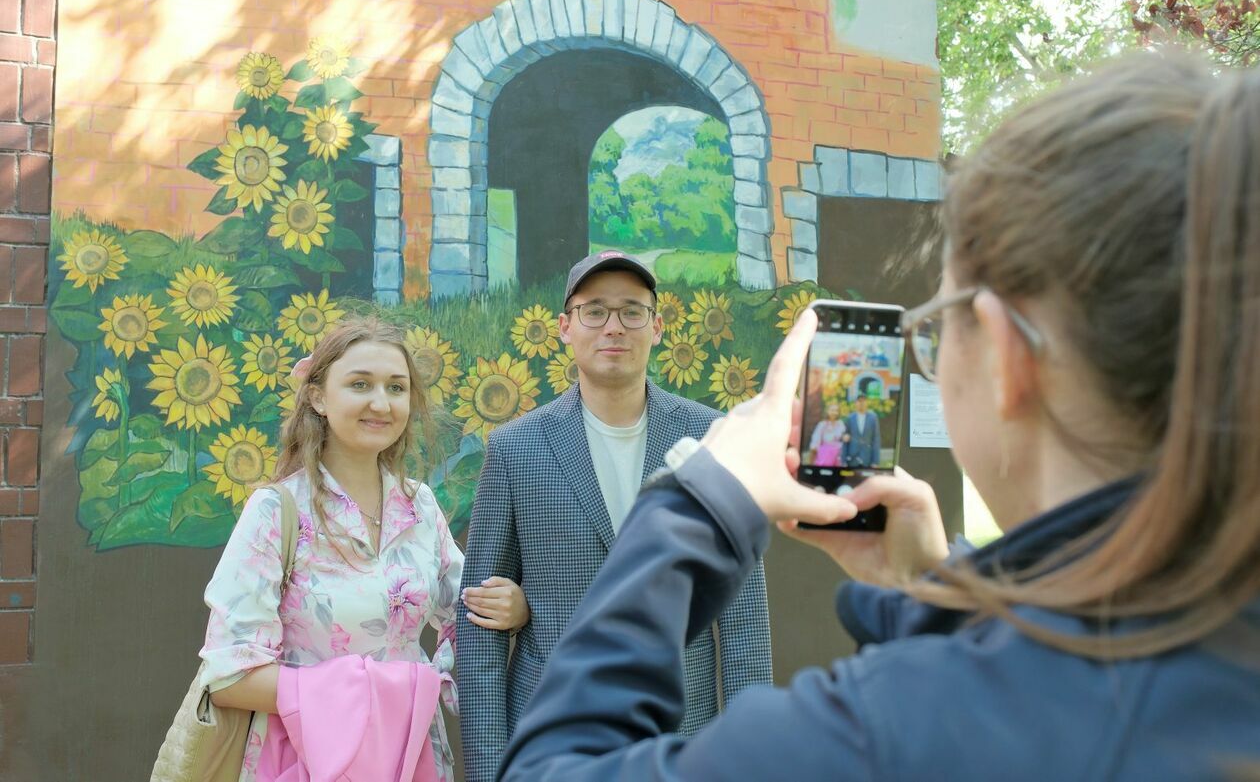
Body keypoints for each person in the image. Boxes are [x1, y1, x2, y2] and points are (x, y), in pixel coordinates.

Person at [498, 51, 1260, 780]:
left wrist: (697, 504)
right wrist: (946, 593)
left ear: (1005, 357)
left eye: (941, 319)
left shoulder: (891, 730)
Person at [457, 251, 773, 782]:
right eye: (594, 311)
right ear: (564, 327)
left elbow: (743, 620)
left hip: (681, 733)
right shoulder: (516, 448)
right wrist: (490, 769)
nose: (614, 328)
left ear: (657, 325)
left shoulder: (711, 438)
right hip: (551, 733)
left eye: (632, 312)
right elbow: (482, 623)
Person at [197, 317, 530, 781]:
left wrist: (512, 607)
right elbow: (229, 673)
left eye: (396, 388)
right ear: (318, 397)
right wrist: (385, 688)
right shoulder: (277, 511)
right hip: (306, 761)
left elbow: (465, 614)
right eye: (360, 384)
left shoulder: (419, 506)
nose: (381, 403)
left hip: (410, 759)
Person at [842, 392, 880, 466]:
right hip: (852, 458)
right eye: (859, 401)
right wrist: (844, 461)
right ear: (856, 403)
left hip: (867, 458)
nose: (861, 403)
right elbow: (845, 438)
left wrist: (875, 461)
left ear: (866, 403)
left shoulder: (873, 418)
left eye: (863, 401)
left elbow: (876, 439)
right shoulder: (850, 418)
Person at [805, 401, 847, 466]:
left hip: (838, 451)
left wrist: (845, 438)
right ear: (828, 411)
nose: (834, 413)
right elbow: (816, 438)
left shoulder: (840, 424)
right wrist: (814, 448)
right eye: (832, 410)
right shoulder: (822, 424)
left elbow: (843, 436)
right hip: (825, 450)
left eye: (836, 411)